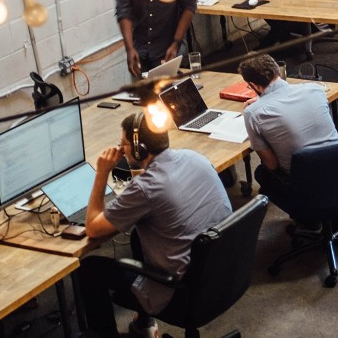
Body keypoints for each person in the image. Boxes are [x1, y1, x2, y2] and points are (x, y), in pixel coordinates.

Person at [79, 113, 232, 338]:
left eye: (124, 144)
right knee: (139, 235)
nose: (121, 150)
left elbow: (93, 228)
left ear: (140, 149)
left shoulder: (145, 188)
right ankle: (144, 325)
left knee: (89, 269)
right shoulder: (193, 157)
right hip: (222, 274)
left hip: (181, 293)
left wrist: (101, 174)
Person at [238, 54, 338, 200]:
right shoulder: (315, 90)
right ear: (277, 71)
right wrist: (263, 99)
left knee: (262, 173)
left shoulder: (253, 113)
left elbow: (272, 165)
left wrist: (262, 102)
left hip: (306, 184)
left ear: (254, 85)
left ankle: (307, 213)